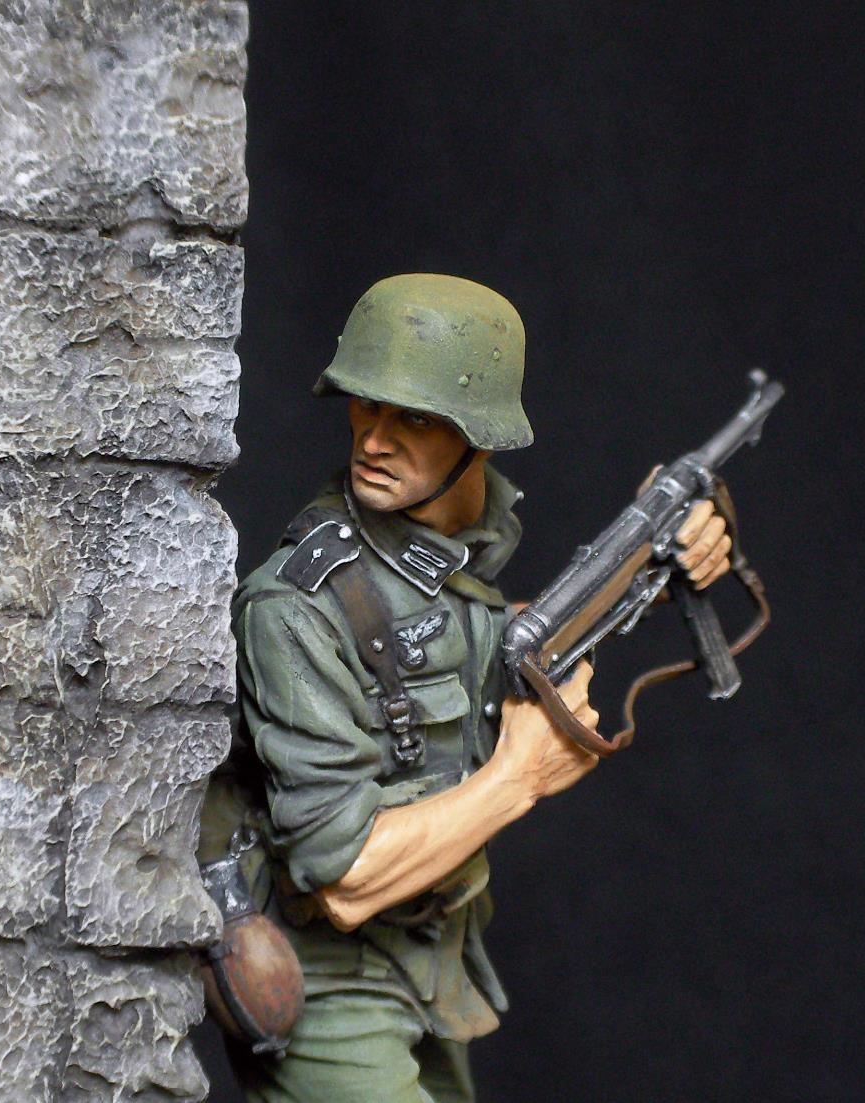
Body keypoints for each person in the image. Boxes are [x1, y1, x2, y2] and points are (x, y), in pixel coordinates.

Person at [202, 275, 732, 1103]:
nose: (375, 439)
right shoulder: (297, 605)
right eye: (365, 405)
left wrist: (651, 565)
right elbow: (343, 879)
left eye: (414, 417)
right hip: (323, 976)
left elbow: (465, 649)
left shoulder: (447, 555)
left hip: (433, 950)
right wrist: (520, 775)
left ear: (479, 437)